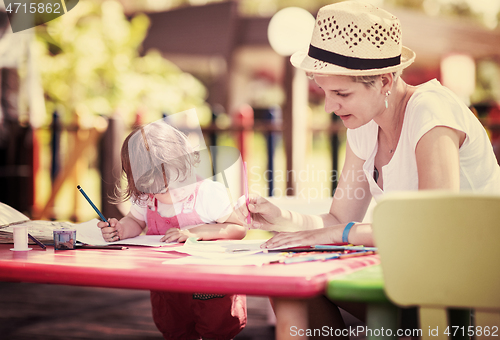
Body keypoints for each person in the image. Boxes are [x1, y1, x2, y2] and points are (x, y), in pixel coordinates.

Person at [245, 0, 500, 332]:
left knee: (302, 283)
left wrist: (345, 233)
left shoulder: (431, 113)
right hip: (424, 277)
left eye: (340, 93)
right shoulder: (365, 124)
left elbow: (435, 229)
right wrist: (283, 219)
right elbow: (339, 219)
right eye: (323, 91)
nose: (328, 106)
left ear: (383, 81)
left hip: (476, 290)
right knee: (291, 282)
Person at [98, 119, 248, 340]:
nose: (177, 192)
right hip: (167, 284)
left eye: (181, 179)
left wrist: (195, 233)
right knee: (175, 329)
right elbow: (136, 222)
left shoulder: (208, 194)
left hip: (210, 283)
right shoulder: (147, 198)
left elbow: (238, 228)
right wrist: (121, 229)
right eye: (163, 189)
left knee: (216, 330)